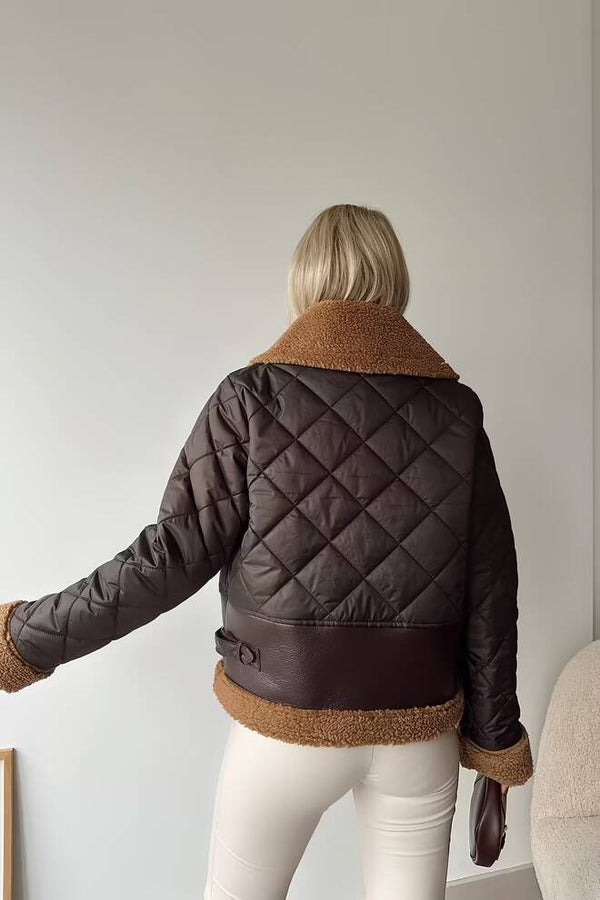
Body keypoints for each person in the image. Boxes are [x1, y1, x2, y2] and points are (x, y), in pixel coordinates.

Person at [0, 203, 534, 899]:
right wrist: (495, 741)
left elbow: (166, 560)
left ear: (304, 280)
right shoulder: (456, 413)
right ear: (396, 280)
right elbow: (492, 591)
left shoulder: (251, 399)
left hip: (285, 730)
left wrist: (23, 638)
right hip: (417, 732)